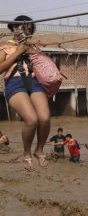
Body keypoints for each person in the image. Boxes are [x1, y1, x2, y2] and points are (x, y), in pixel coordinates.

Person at [0, 15, 50, 171]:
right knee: (31, 119)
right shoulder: (4, 46)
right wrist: (18, 52)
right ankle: (27, 153)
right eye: (24, 27)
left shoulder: (34, 47)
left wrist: (36, 51)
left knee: (45, 117)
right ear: (15, 28)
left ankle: (39, 150)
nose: (27, 31)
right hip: (14, 82)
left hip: (33, 82)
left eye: (30, 29)